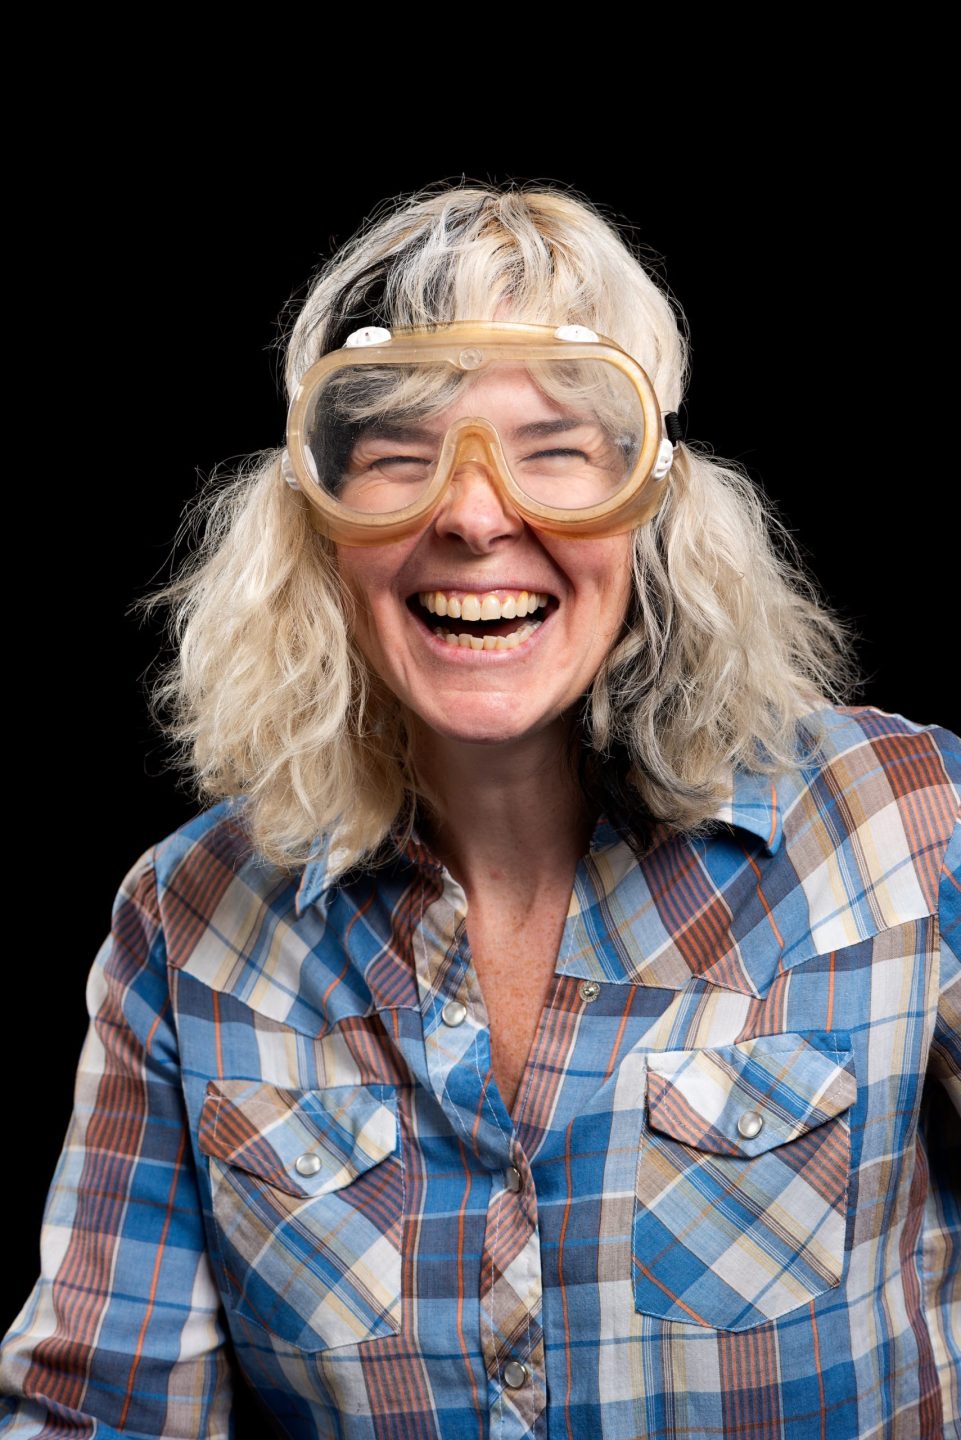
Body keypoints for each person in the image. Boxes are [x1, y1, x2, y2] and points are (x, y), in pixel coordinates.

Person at [1, 180, 957, 1440]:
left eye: (554, 451)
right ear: (314, 526)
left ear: (654, 503)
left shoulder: (906, 825)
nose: (470, 514)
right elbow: (99, 1410)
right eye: (397, 458)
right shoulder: (189, 927)